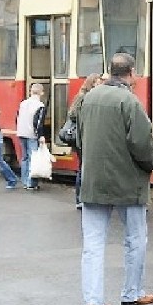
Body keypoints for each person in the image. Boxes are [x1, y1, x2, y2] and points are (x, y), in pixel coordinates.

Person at [77, 53, 153, 305]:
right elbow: (141, 144)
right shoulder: (129, 101)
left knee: (93, 243)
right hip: (128, 182)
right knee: (135, 238)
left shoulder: (89, 98)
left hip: (93, 181)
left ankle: (94, 299)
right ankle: (132, 293)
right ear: (131, 72)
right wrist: (151, 164)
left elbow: (79, 137)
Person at [67, 73, 101, 209]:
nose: (100, 85)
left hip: (88, 135)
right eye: (98, 82)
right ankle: (79, 199)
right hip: (82, 136)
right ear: (92, 83)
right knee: (82, 168)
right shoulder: (82, 96)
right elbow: (72, 114)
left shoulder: (92, 96)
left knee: (85, 167)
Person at [16, 83, 46, 190]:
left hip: (21, 132)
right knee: (33, 158)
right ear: (41, 93)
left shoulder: (23, 103)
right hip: (32, 134)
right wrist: (41, 135)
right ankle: (31, 183)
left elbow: (17, 117)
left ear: (31, 92)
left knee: (24, 157)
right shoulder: (40, 105)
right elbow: (38, 123)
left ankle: (24, 181)